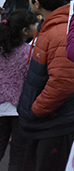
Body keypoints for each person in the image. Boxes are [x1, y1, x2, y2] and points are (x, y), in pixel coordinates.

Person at [17, 0, 74, 171]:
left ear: (36, 3)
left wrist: (35, 110)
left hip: (53, 126)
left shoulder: (59, 32)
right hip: (45, 125)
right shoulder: (51, 28)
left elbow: (62, 83)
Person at [0, 9, 37, 170]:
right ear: (25, 30)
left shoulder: (2, 50)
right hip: (19, 109)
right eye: (34, 24)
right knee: (18, 154)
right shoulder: (28, 53)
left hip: (1, 108)